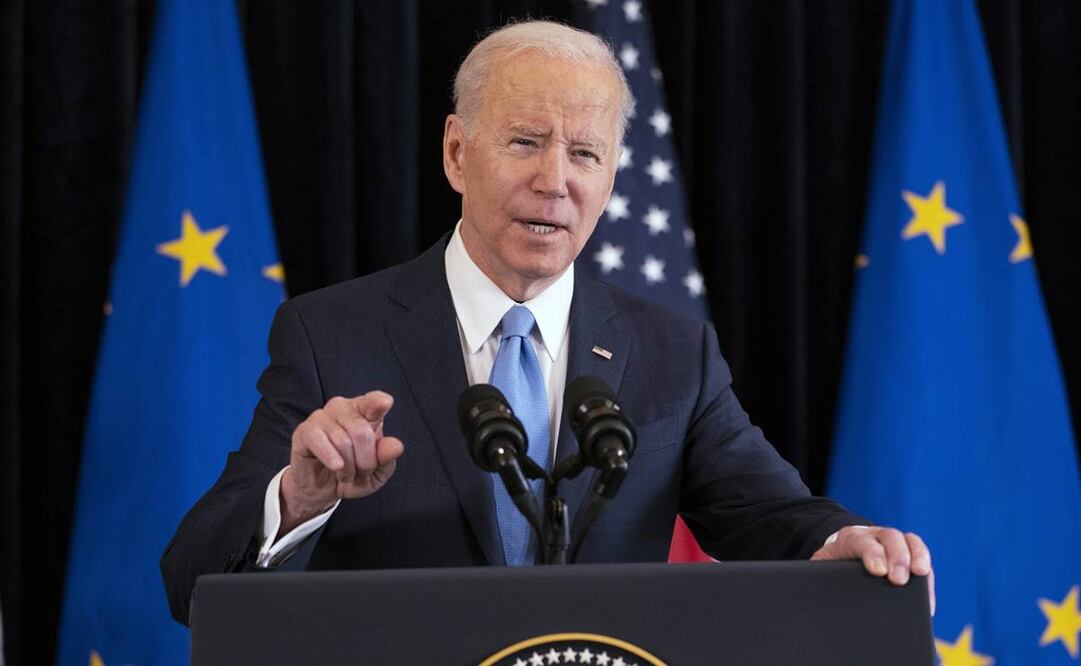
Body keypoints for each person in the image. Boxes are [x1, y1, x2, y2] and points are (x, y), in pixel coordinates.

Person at [161, 20, 933, 625]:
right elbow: (190, 582)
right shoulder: (332, 335)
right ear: (458, 154)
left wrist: (840, 542)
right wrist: (300, 496)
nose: (554, 180)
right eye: (526, 142)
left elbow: (770, 512)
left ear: (611, 178)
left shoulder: (673, 351)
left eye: (586, 154)